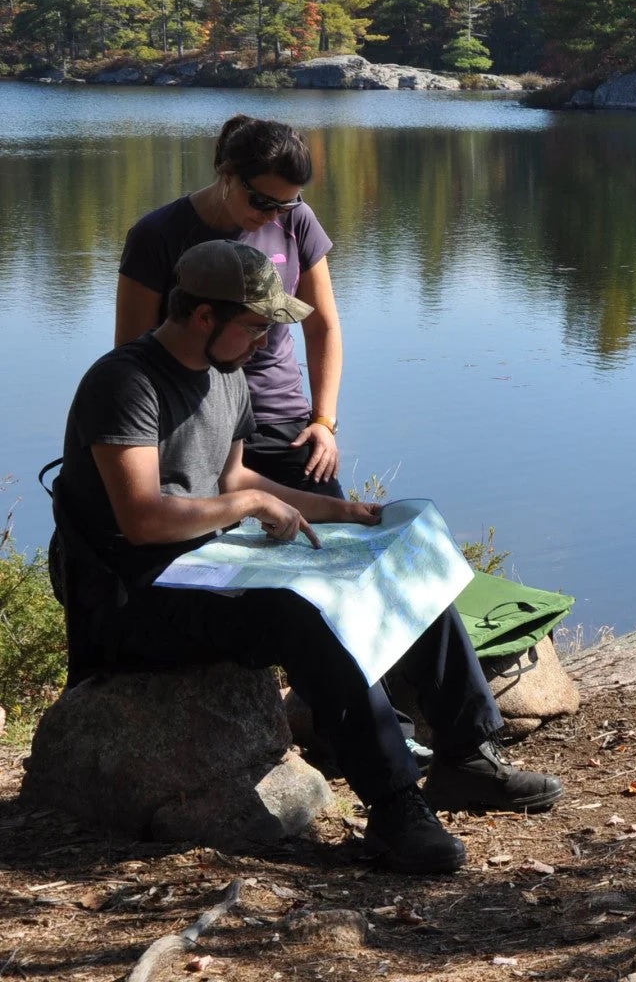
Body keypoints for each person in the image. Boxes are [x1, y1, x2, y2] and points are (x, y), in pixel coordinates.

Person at [52, 240, 563, 874]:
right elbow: (143, 517)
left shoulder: (228, 375)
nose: (268, 342)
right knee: (303, 614)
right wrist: (247, 510)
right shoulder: (125, 382)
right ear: (204, 317)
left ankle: (465, 758)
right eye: (257, 324)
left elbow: (236, 482)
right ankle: (395, 804)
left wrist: (351, 515)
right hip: (134, 594)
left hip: (211, 562)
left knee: (395, 561)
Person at [115, 115, 343, 496]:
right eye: (261, 201)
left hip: (278, 418)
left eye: (285, 205)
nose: (272, 215)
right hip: (188, 419)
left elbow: (323, 327)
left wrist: (322, 420)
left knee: (337, 534)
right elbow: (130, 353)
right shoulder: (157, 235)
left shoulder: (298, 222)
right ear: (228, 176)